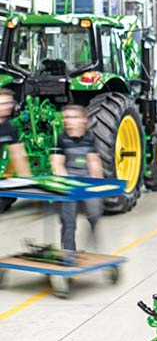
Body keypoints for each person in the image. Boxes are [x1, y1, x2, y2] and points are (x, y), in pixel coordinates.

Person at [50, 104, 103, 252]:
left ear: (83, 120)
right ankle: (69, 254)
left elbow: (93, 162)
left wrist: (97, 184)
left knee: (94, 213)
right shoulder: (60, 140)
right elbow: (57, 165)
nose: (68, 120)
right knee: (68, 223)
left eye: (73, 117)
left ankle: (92, 249)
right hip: (69, 183)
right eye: (66, 117)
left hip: (86, 181)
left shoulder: (89, 138)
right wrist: (67, 186)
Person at [0, 88, 31, 212]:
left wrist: (28, 182)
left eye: (9, 103)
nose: (7, 107)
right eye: (3, 104)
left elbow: (18, 155)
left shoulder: (9, 127)